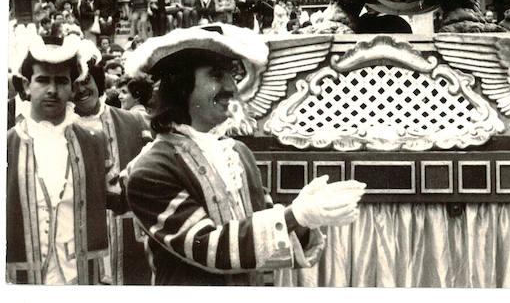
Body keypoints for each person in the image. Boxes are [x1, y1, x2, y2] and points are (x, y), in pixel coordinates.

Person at [124, 26, 364, 285]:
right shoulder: (151, 170)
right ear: (181, 86)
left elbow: (268, 248)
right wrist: (295, 215)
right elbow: (209, 248)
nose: (232, 88)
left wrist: (306, 219)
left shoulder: (239, 154)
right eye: (217, 75)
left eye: (232, 75)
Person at [7, 33, 123, 284]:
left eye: (61, 81)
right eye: (42, 80)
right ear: (26, 85)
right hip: (23, 282)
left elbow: (119, 198)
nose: (52, 89)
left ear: (72, 86)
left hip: (80, 278)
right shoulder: (7, 146)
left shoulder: (94, 141)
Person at [73, 46, 153, 285]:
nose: (81, 89)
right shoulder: (58, 133)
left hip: (131, 246)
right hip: (81, 246)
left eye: (85, 80)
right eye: (73, 83)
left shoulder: (135, 122)